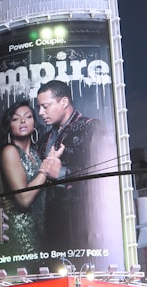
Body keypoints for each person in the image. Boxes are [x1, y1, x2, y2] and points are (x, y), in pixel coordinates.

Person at [35, 79, 110, 253]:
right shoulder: (44, 140)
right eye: (39, 107)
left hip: (82, 229)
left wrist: (60, 173)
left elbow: (103, 177)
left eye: (45, 106)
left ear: (64, 102)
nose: (40, 112)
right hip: (48, 231)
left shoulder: (91, 128)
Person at [0, 100, 62, 253]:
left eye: (28, 117)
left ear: (34, 123)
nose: (23, 121)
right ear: (9, 126)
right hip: (21, 235)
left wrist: (50, 162)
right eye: (16, 118)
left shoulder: (35, 155)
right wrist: (45, 169)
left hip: (40, 231)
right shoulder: (10, 151)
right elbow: (23, 199)